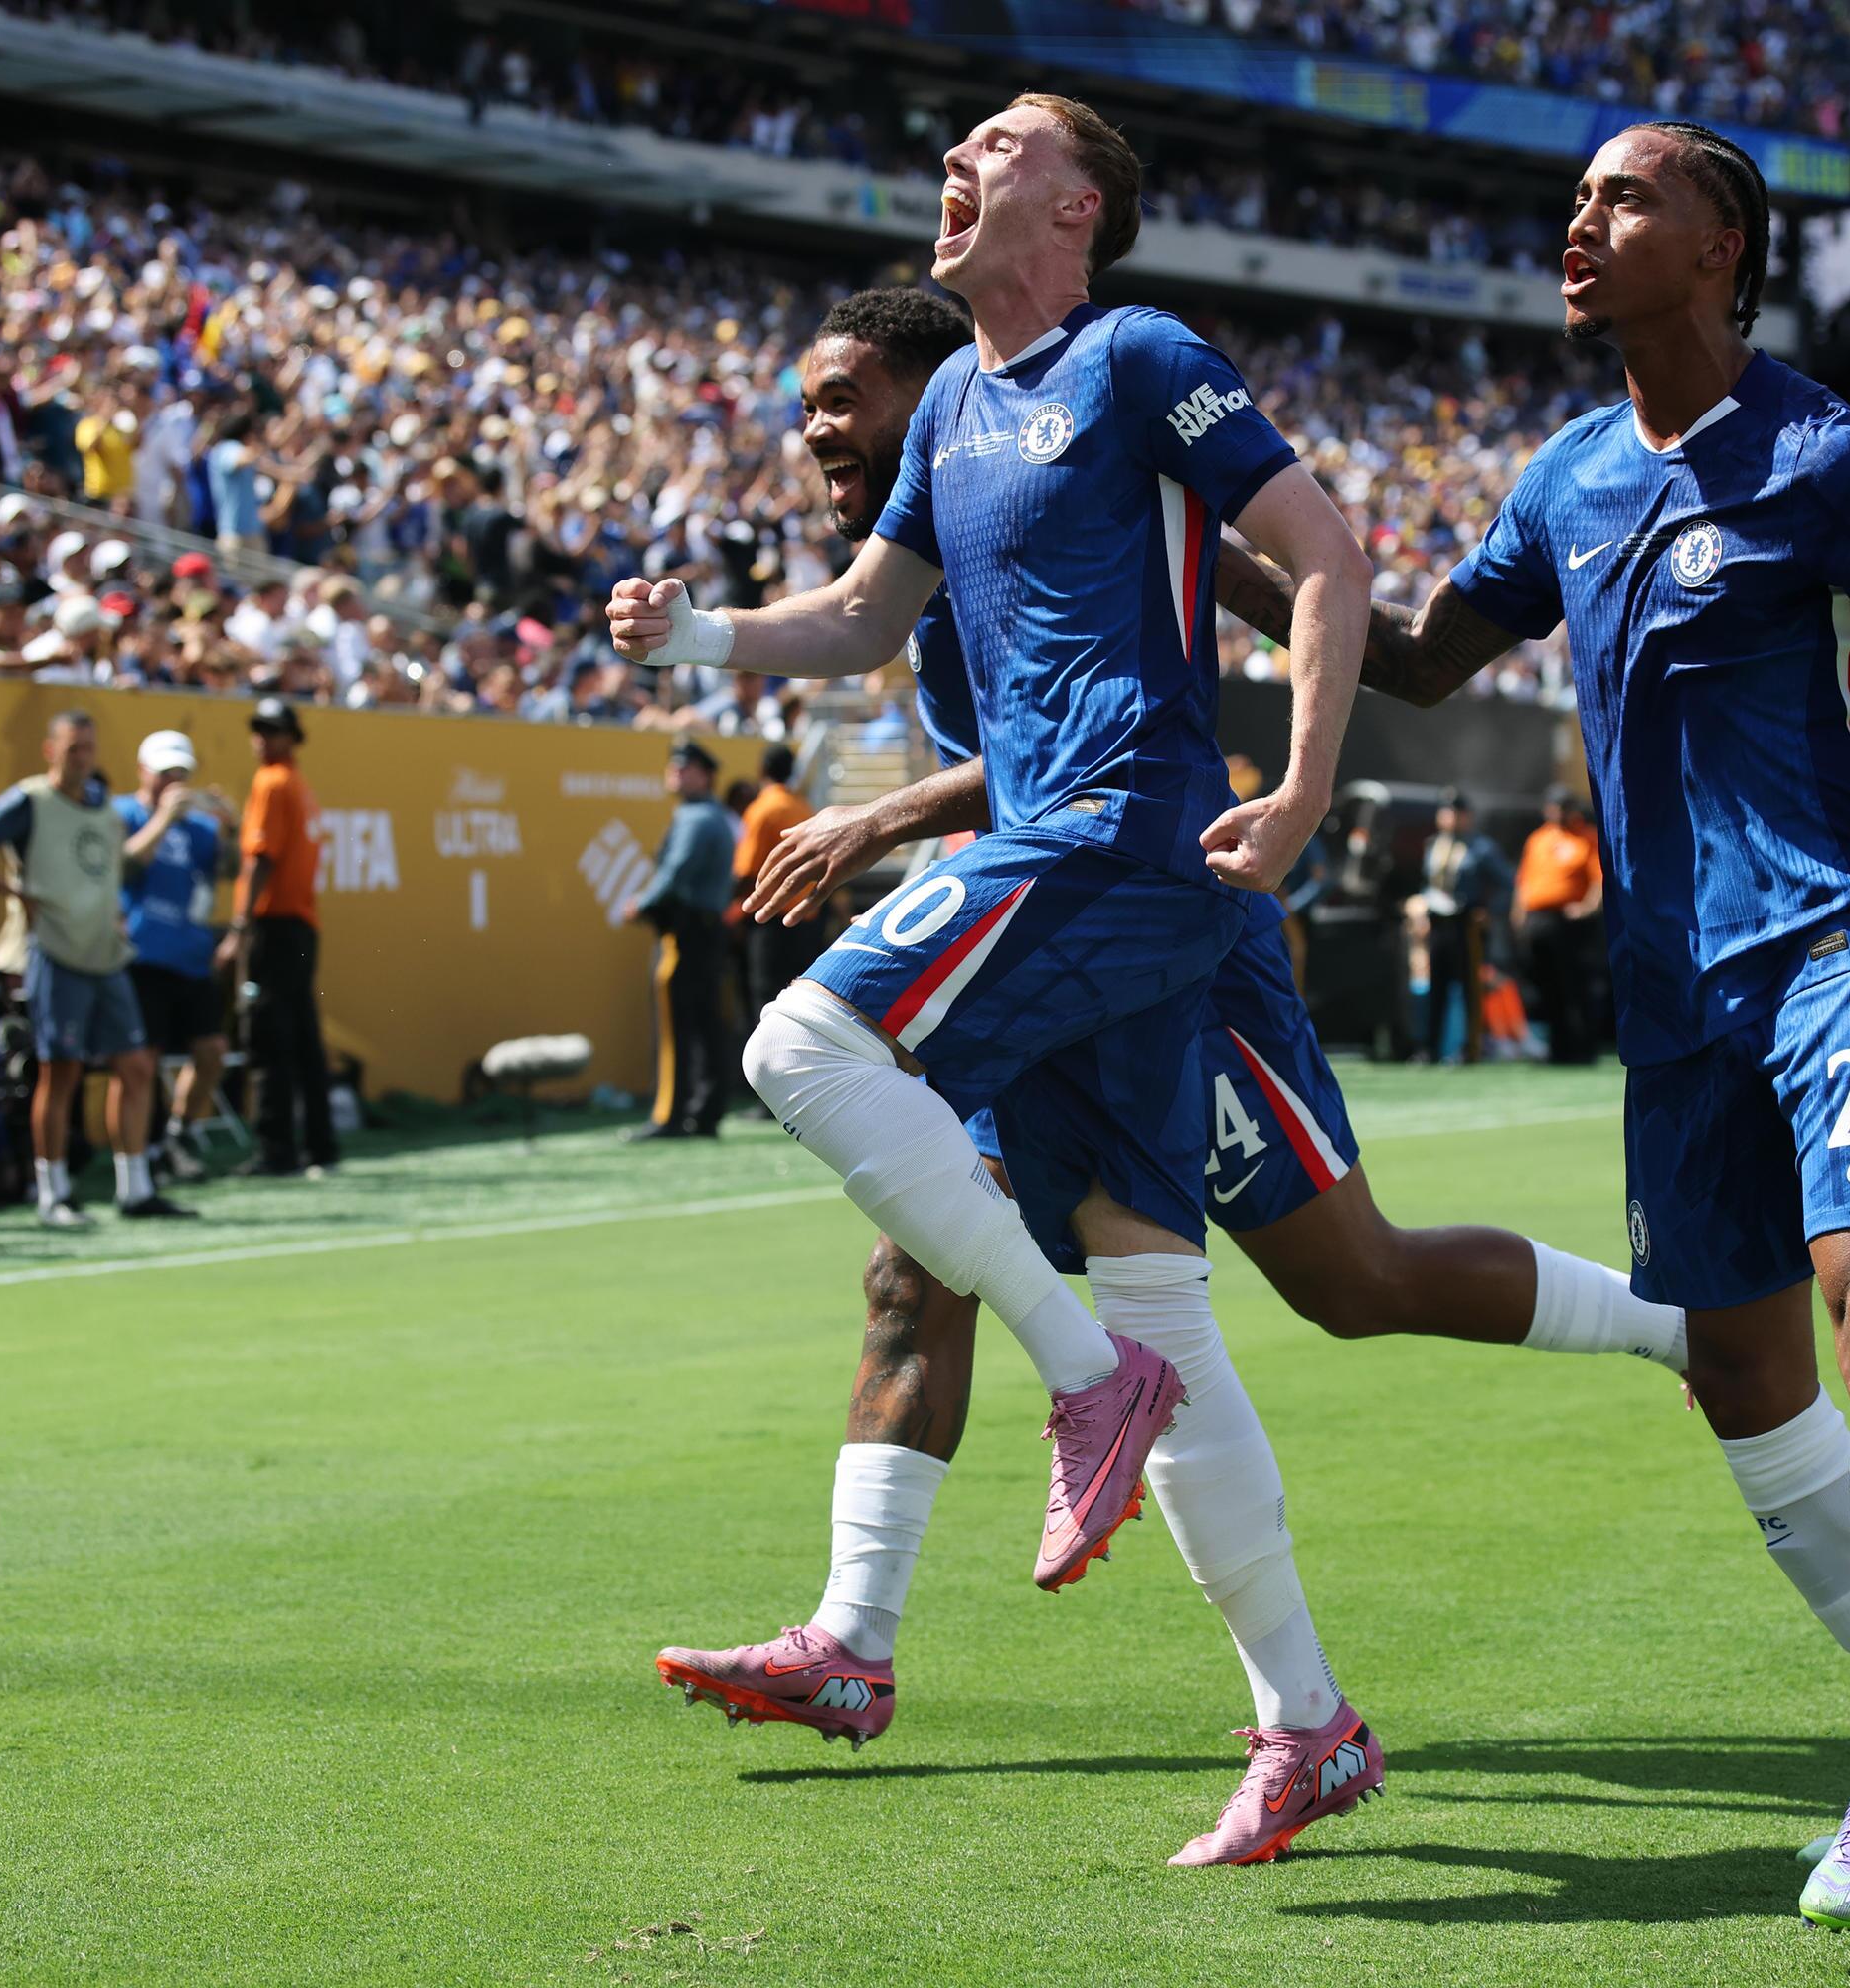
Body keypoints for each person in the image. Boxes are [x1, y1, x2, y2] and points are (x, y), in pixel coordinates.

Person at [653, 286, 1688, 1804]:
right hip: (1061, 911)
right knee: (923, 1267)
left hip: (1170, 931)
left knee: (1352, 1280)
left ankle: (1678, 1328)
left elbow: (1169, 697)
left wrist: (883, 819)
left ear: (946, 400)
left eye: (843, 398)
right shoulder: (937, 541)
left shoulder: (1084, 450)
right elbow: (1016, 750)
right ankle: (864, 1639)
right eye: (807, 403)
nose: (817, 431)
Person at [1219, 124, 1850, 1930]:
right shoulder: (1568, 478)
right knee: (1741, 1373)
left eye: (1625, 197)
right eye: (1579, 198)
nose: (1581, 221)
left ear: (1722, 244)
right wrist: (1199, 543)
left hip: (1841, 937)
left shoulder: (1831, 459)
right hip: (1674, 990)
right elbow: (1418, 662)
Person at [614, 93, 1386, 1867]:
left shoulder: (1137, 357)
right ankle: (1310, 1724)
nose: (958, 162)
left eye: (999, 143)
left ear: (1081, 202)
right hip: (1071, 859)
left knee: (799, 1044)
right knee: (1168, 1309)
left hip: (1121, 842)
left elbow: (1327, 556)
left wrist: (1301, 790)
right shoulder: (953, 401)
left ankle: (1073, 1374)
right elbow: (861, 618)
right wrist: (697, 637)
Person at [0, 711, 195, 1226]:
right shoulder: (28, 801)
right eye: (73, 748)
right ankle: (51, 1193)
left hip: (106, 952)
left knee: (136, 1066)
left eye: (88, 748)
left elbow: (119, 865)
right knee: (60, 1075)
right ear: (50, 750)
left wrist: (165, 820)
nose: (82, 758)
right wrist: (16, 893)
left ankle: (136, 1188)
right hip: (54, 953)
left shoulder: (103, 807)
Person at [114, 730, 236, 1183]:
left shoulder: (199, 827)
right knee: (141, 1060)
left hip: (190, 956)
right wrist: (163, 818)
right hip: (140, 956)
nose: (173, 782)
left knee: (212, 1051)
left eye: (180, 774)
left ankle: (177, 1133)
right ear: (143, 771)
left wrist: (230, 827)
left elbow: (230, 868)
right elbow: (123, 865)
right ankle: (144, 1152)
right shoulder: (123, 812)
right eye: (165, 773)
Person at [224, 697, 336, 1178]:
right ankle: (320, 1145)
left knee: (270, 1037)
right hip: (301, 925)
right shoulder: (297, 783)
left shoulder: (271, 782)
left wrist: (239, 927)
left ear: (292, 736)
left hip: (275, 926)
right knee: (304, 1038)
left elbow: (262, 858)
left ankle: (277, 1149)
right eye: (259, 729)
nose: (262, 739)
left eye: (272, 730)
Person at [618, 740, 737, 1142]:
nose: (676, 773)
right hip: (707, 930)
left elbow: (675, 871)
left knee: (677, 1027)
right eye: (674, 767)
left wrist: (642, 903)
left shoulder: (696, 818)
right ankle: (705, 1111)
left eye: (685, 768)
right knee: (704, 1022)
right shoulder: (713, 816)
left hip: (686, 933)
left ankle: (670, 1114)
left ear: (705, 776)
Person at [729, 742, 818, 1034]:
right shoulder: (804, 807)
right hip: (806, 922)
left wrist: (731, 915)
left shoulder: (761, 809)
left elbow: (746, 872)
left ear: (762, 769)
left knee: (765, 1006)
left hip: (771, 925)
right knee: (800, 1009)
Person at [1514, 786, 1605, 1064]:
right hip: (1539, 921)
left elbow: (1598, 878)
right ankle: (1557, 1048)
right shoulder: (1538, 839)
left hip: (1569, 922)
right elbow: (1524, 881)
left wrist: (1587, 908)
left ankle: (1581, 1047)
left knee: (1574, 986)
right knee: (1546, 986)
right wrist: (1519, 916)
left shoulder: (1586, 837)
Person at [1412, 787, 1499, 1063]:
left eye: (1456, 813)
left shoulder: (1481, 847)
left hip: (1466, 923)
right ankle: (1430, 1047)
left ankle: (1471, 1047)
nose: (1450, 818)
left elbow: (1506, 884)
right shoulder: (1432, 845)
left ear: (1467, 816)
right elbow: (1427, 883)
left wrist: (1487, 910)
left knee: (1470, 986)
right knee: (1435, 985)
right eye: (1446, 812)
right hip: (1438, 922)